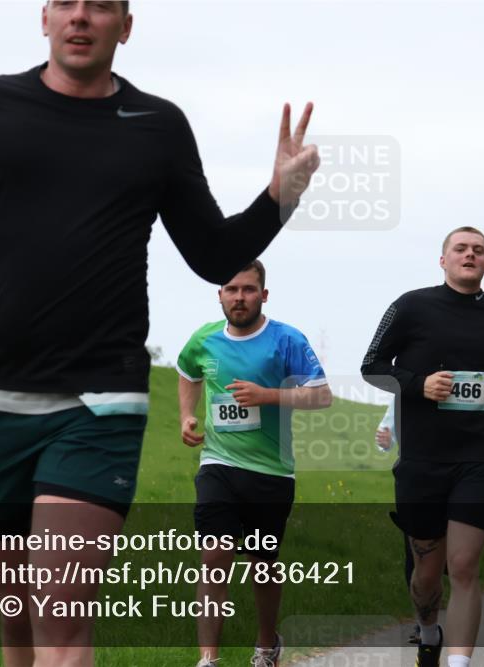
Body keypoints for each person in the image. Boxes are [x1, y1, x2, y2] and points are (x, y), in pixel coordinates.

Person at [0, 3, 320, 664]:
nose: (81, 17)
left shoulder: (157, 126)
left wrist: (279, 198)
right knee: (18, 621)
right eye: (66, 3)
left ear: (125, 26)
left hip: (101, 402)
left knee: (61, 623)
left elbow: (213, 254)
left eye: (100, 5)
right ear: (44, 18)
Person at [361, 226, 484, 667]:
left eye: (478, 250)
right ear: (443, 260)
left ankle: (459, 663)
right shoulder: (411, 306)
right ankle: (428, 633)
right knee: (426, 576)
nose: (469, 254)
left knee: (463, 566)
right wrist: (419, 384)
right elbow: (372, 366)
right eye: (460, 248)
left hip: (482, 452)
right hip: (422, 455)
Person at [177, 260, 331, 667]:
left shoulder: (287, 339)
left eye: (248, 289)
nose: (239, 297)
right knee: (214, 558)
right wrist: (187, 416)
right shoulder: (205, 339)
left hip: (271, 472)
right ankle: (208, 659)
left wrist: (268, 395)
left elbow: (321, 395)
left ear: (263, 295)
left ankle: (266, 644)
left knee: (261, 567)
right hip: (218, 464)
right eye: (231, 289)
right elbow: (187, 371)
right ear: (220, 295)